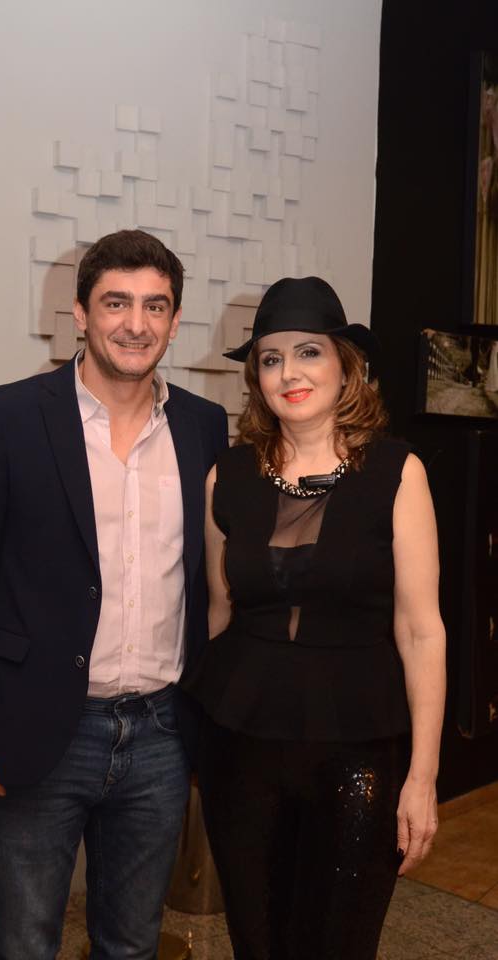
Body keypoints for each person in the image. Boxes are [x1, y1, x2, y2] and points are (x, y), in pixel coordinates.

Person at [0, 229, 229, 960]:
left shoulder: (202, 426)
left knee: (130, 943)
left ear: (174, 321)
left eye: (155, 306)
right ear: (80, 313)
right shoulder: (6, 417)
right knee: (23, 943)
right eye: (116, 303)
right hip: (41, 729)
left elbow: (209, 581)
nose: (136, 323)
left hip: (161, 734)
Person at [182, 276, 446, 960]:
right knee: (257, 941)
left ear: (345, 366)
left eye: (308, 352)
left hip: (358, 748)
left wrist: (423, 778)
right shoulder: (226, 478)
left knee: (339, 942)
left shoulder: (398, 473)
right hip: (238, 745)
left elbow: (422, 632)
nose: (289, 373)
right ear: (257, 378)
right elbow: (218, 614)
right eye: (271, 358)